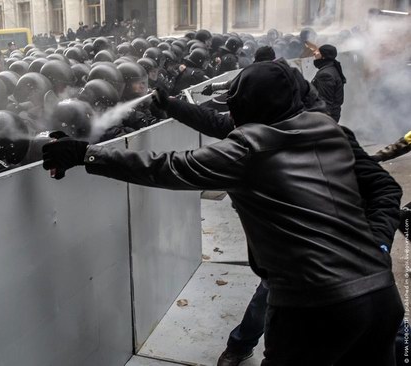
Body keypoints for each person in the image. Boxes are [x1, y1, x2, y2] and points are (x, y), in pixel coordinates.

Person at [42, 61, 403, 365]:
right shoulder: (332, 131)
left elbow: (166, 167)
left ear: (249, 107)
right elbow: (386, 188)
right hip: (382, 298)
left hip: (313, 308)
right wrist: (377, 248)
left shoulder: (246, 150)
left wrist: (84, 154)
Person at [312, 44, 346, 122]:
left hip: (326, 118)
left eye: (318, 52)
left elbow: (325, 102)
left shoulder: (326, 75)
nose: (315, 53)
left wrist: (324, 122)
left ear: (324, 56)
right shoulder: (331, 68)